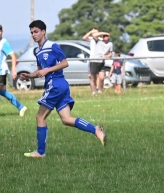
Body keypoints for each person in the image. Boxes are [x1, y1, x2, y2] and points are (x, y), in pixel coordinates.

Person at [21, 20, 107, 158]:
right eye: (31, 32)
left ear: (43, 31)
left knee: (40, 116)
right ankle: (96, 130)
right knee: (66, 119)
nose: (33, 34)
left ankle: (40, 152)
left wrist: (48, 70)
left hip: (55, 84)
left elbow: (65, 63)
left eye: (36, 31)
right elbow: (40, 71)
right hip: (60, 86)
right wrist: (29, 76)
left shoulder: (52, 46)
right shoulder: (37, 51)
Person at [0, 24, 27, 116]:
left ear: (2, 32)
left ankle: (21, 107)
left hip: (1, 72)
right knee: (2, 91)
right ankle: (21, 107)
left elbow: (13, 56)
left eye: (0, 31)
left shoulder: (4, 43)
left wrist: (14, 70)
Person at [89, 31, 113, 95]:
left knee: (102, 77)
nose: (105, 37)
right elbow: (94, 35)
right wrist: (104, 33)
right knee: (93, 78)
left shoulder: (110, 44)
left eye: (106, 36)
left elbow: (110, 53)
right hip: (94, 61)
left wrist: (106, 56)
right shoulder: (99, 41)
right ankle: (93, 92)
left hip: (101, 61)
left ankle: (99, 90)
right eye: (104, 36)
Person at [82, 28, 101, 93]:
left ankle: (98, 89)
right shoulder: (91, 39)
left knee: (98, 75)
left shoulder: (100, 40)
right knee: (91, 76)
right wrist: (90, 32)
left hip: (99, 59)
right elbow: (84, 37)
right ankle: (93, 90)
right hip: (92, 59)